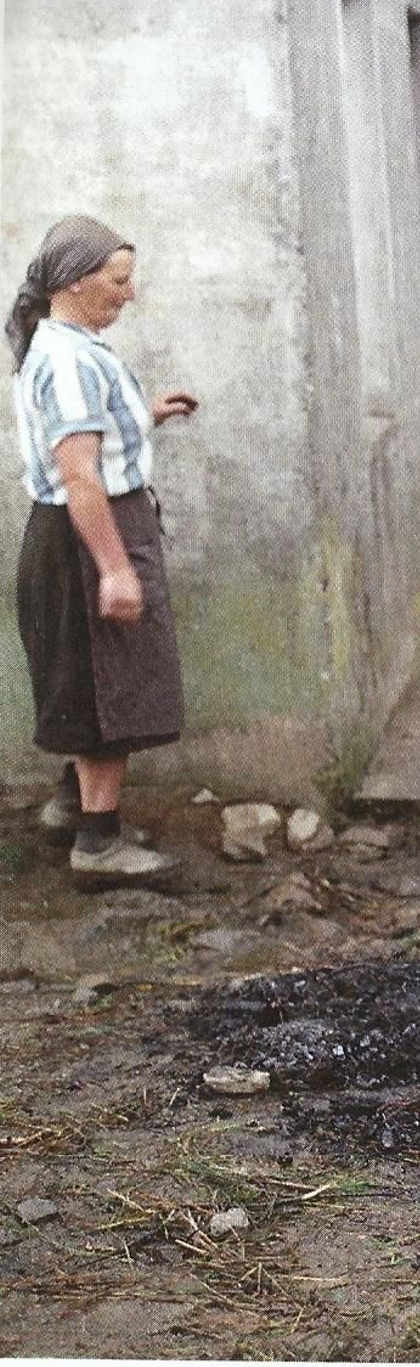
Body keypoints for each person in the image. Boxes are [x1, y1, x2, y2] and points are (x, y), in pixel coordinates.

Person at [10, 215, 199, 885]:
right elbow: (80, 475)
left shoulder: (64, 344)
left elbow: (86, 442)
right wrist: (115, 568)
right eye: (118, 281)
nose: (130, 293)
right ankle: (99, 843)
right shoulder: (68, 361)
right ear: (75, 283)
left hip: (77, 530)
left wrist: (144, 414)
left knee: (85, 675)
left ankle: (72, 806)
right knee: (108, 681)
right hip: (90, 533)